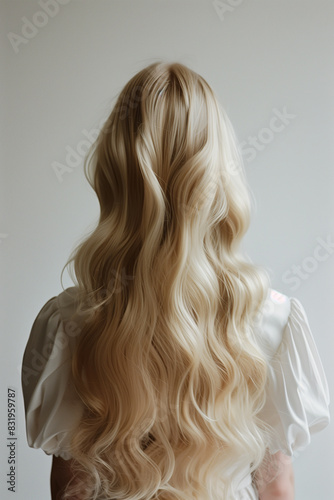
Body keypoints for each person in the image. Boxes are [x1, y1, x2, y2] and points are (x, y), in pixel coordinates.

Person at [21, 61, 330, 500]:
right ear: (219, 172)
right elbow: (276, 486)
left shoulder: (67, 325)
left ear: (117, 169)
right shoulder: (273, 321)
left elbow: (70, 488)